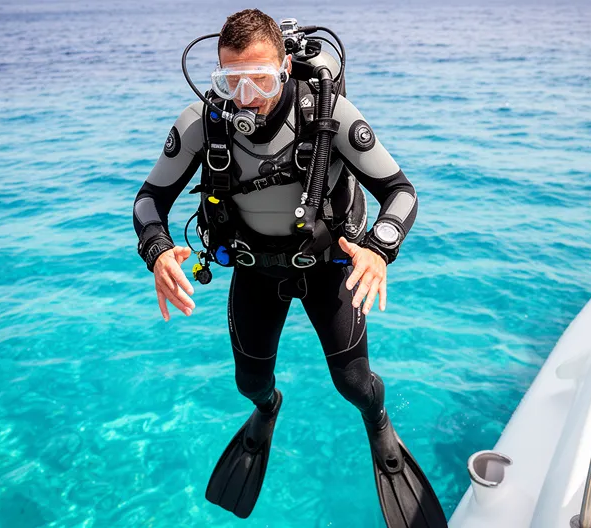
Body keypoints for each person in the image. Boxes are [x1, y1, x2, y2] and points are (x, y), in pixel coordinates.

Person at [131, 9, 447, 528]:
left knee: (353, 382)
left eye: (261, 78)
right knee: (249, 383)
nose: (246, 96)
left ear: (284, 69)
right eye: (230, 81)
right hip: (256, 271)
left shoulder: (329, 113)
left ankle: (378, 421)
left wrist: (378, 248)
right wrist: (158, 249)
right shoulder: (201, 124)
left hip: (328, 266)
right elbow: (148, 200)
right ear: (216, 76)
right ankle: (268, 410)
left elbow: (401, 192)